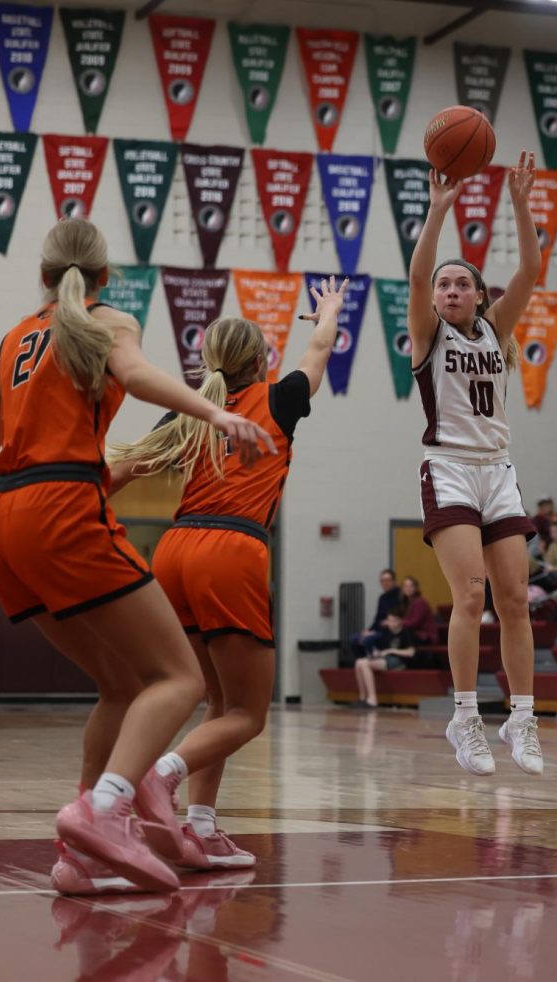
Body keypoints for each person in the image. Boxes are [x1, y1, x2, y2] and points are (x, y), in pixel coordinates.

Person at [0, 219, 273, 894]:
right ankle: (102, 811)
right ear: (105, 277)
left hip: (2, 520)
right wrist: (215, 415)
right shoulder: (107, 321)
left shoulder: (15, 337)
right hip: (62, 505)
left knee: (123, 686)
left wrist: (1, 557)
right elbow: (134, 371)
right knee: (179, 681)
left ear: (44, 275)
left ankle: (80, 856)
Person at [108, 276, 347, 871]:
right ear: (262, 361)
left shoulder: (188, 412)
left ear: (208, 361)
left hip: (173, 550)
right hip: (230, 550)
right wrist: (329, 311)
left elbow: (115, 473)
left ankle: (202, 827)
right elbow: (318, 350)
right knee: (247, 714)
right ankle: (160, 776)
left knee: (217, 703)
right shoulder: (280, 396)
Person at [408, 151, 543, 776]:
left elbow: (531, 270)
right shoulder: (429, 335)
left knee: (515, 600)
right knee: (470, 594)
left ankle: (522, 717)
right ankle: (465, 718)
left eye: (462, 283)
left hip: (500, 469)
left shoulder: (496, 331)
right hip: (450, 467)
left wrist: (518, 202)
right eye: (445, 284)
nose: (451, 290)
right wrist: (438, 213)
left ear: (479, 296)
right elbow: (415, 278)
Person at [351, 608, 418, 708]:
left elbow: (411, 653)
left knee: (364, 663)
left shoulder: (406, 632)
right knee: (359, 662)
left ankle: (372, 699)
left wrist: (391, 650)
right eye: (389, 620)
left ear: (400, 621)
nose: (390, 623)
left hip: (400, 661)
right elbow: (380, 650)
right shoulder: (386, 633)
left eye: (393, 620)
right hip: (386, 659)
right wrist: (376, 653)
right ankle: (363, 697)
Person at [348, 569, 402, 664]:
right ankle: (360, 664)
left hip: (391, 631)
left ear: (393, 581)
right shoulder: (382, 598)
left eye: (387, 580)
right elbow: (377, 618)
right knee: (354, 639)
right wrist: (369, 630)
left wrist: (385, 623)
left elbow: (398, 616)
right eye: (382, 581)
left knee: (368, 640)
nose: (385, 583)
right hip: (379, 629)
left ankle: (371, 664)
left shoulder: (400, 596)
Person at [399, 576, 437, 646]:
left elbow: (415, 622)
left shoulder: (420, 602)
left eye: (410, 586)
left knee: (401, 634)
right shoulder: (407, 602)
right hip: (415, 634)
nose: (408, 588)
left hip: (425, 636)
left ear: (416, 588)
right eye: (405, 586)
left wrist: (399, 623)